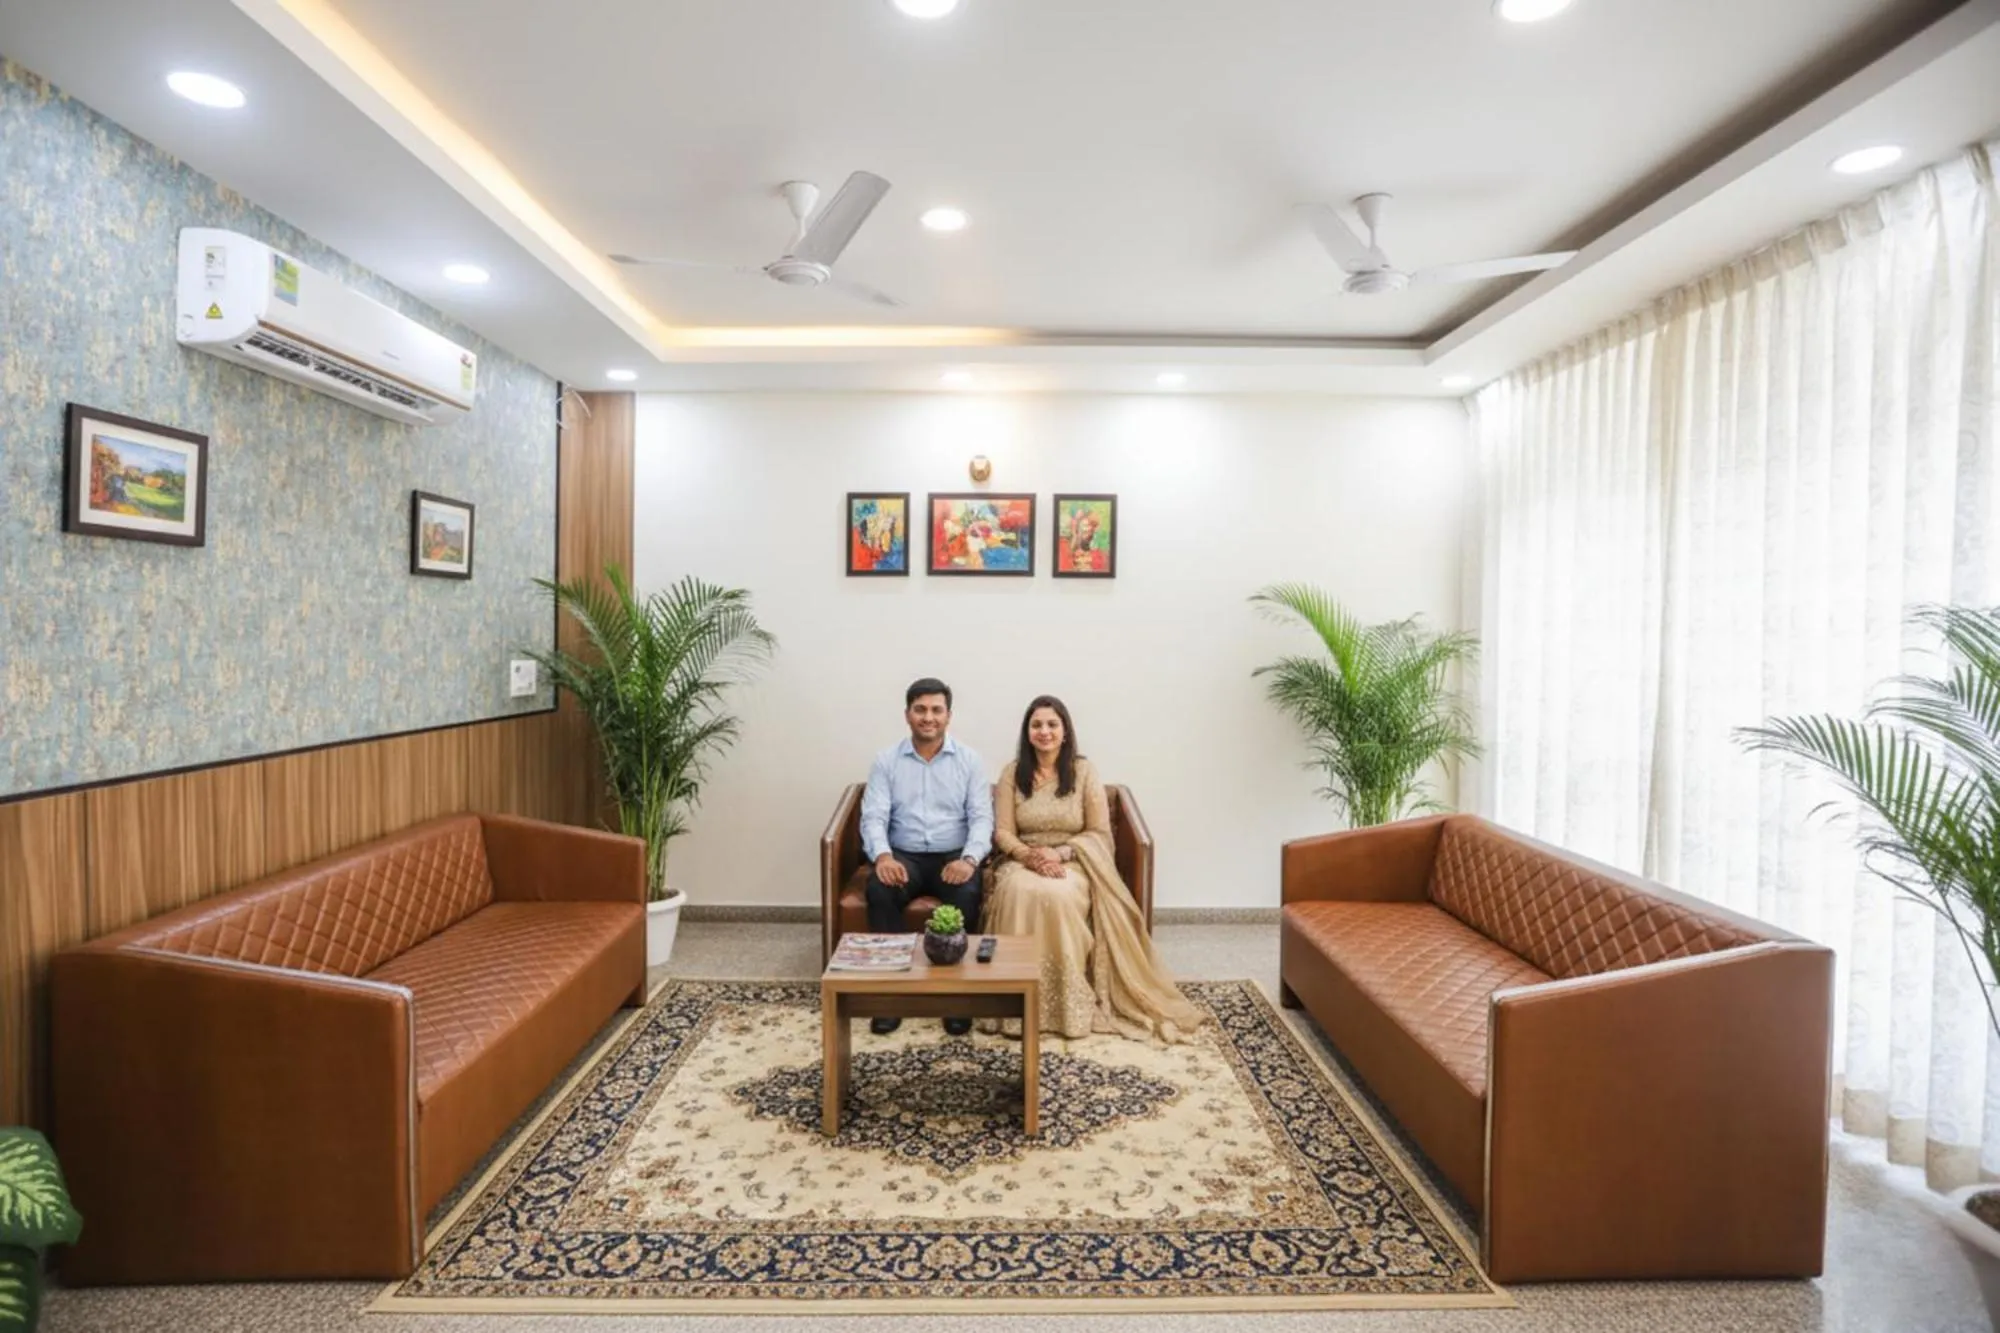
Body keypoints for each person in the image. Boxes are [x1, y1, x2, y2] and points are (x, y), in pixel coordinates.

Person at [983, 696, 1204, 1043]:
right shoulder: (1013, 773)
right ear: (1027, 732)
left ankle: (1067, 1006)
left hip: (1074, 861)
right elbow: (1003, 832)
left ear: (1065, 731)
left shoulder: (1084, 772)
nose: (1045, 731)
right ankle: (1016, 1002)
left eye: (1052, 724)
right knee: (1020, 891)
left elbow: (1099, 832)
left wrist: (1059, 854)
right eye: (1037, 725)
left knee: (1056, 895)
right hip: (1022, 861)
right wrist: (1030, 856)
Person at [859, 677, 994, 1035]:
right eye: (920, 709)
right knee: (879, 891)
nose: (928, 717)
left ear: (949, 716)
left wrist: (969, 860)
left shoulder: (969, 761)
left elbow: (982, 818)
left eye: (936, 710)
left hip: (953, 856)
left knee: (967, 896)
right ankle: (892, 998)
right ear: (907, 715)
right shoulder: (886, 760)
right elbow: (874, 815)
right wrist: (884, 857)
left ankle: (954, 999)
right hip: (904, 856)